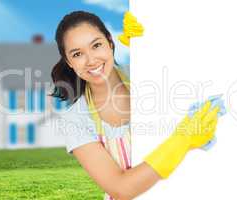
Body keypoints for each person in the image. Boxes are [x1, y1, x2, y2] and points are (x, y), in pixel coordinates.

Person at [51, 11, 220, 200]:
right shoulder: (75, 119)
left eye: (96, 45)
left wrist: (150, 44)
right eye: (77, 54)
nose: (91, 60)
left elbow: (192, 62)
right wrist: (182, 140)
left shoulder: (149, 74)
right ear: (69, 62)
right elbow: (120, 189)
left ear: (110, 42)